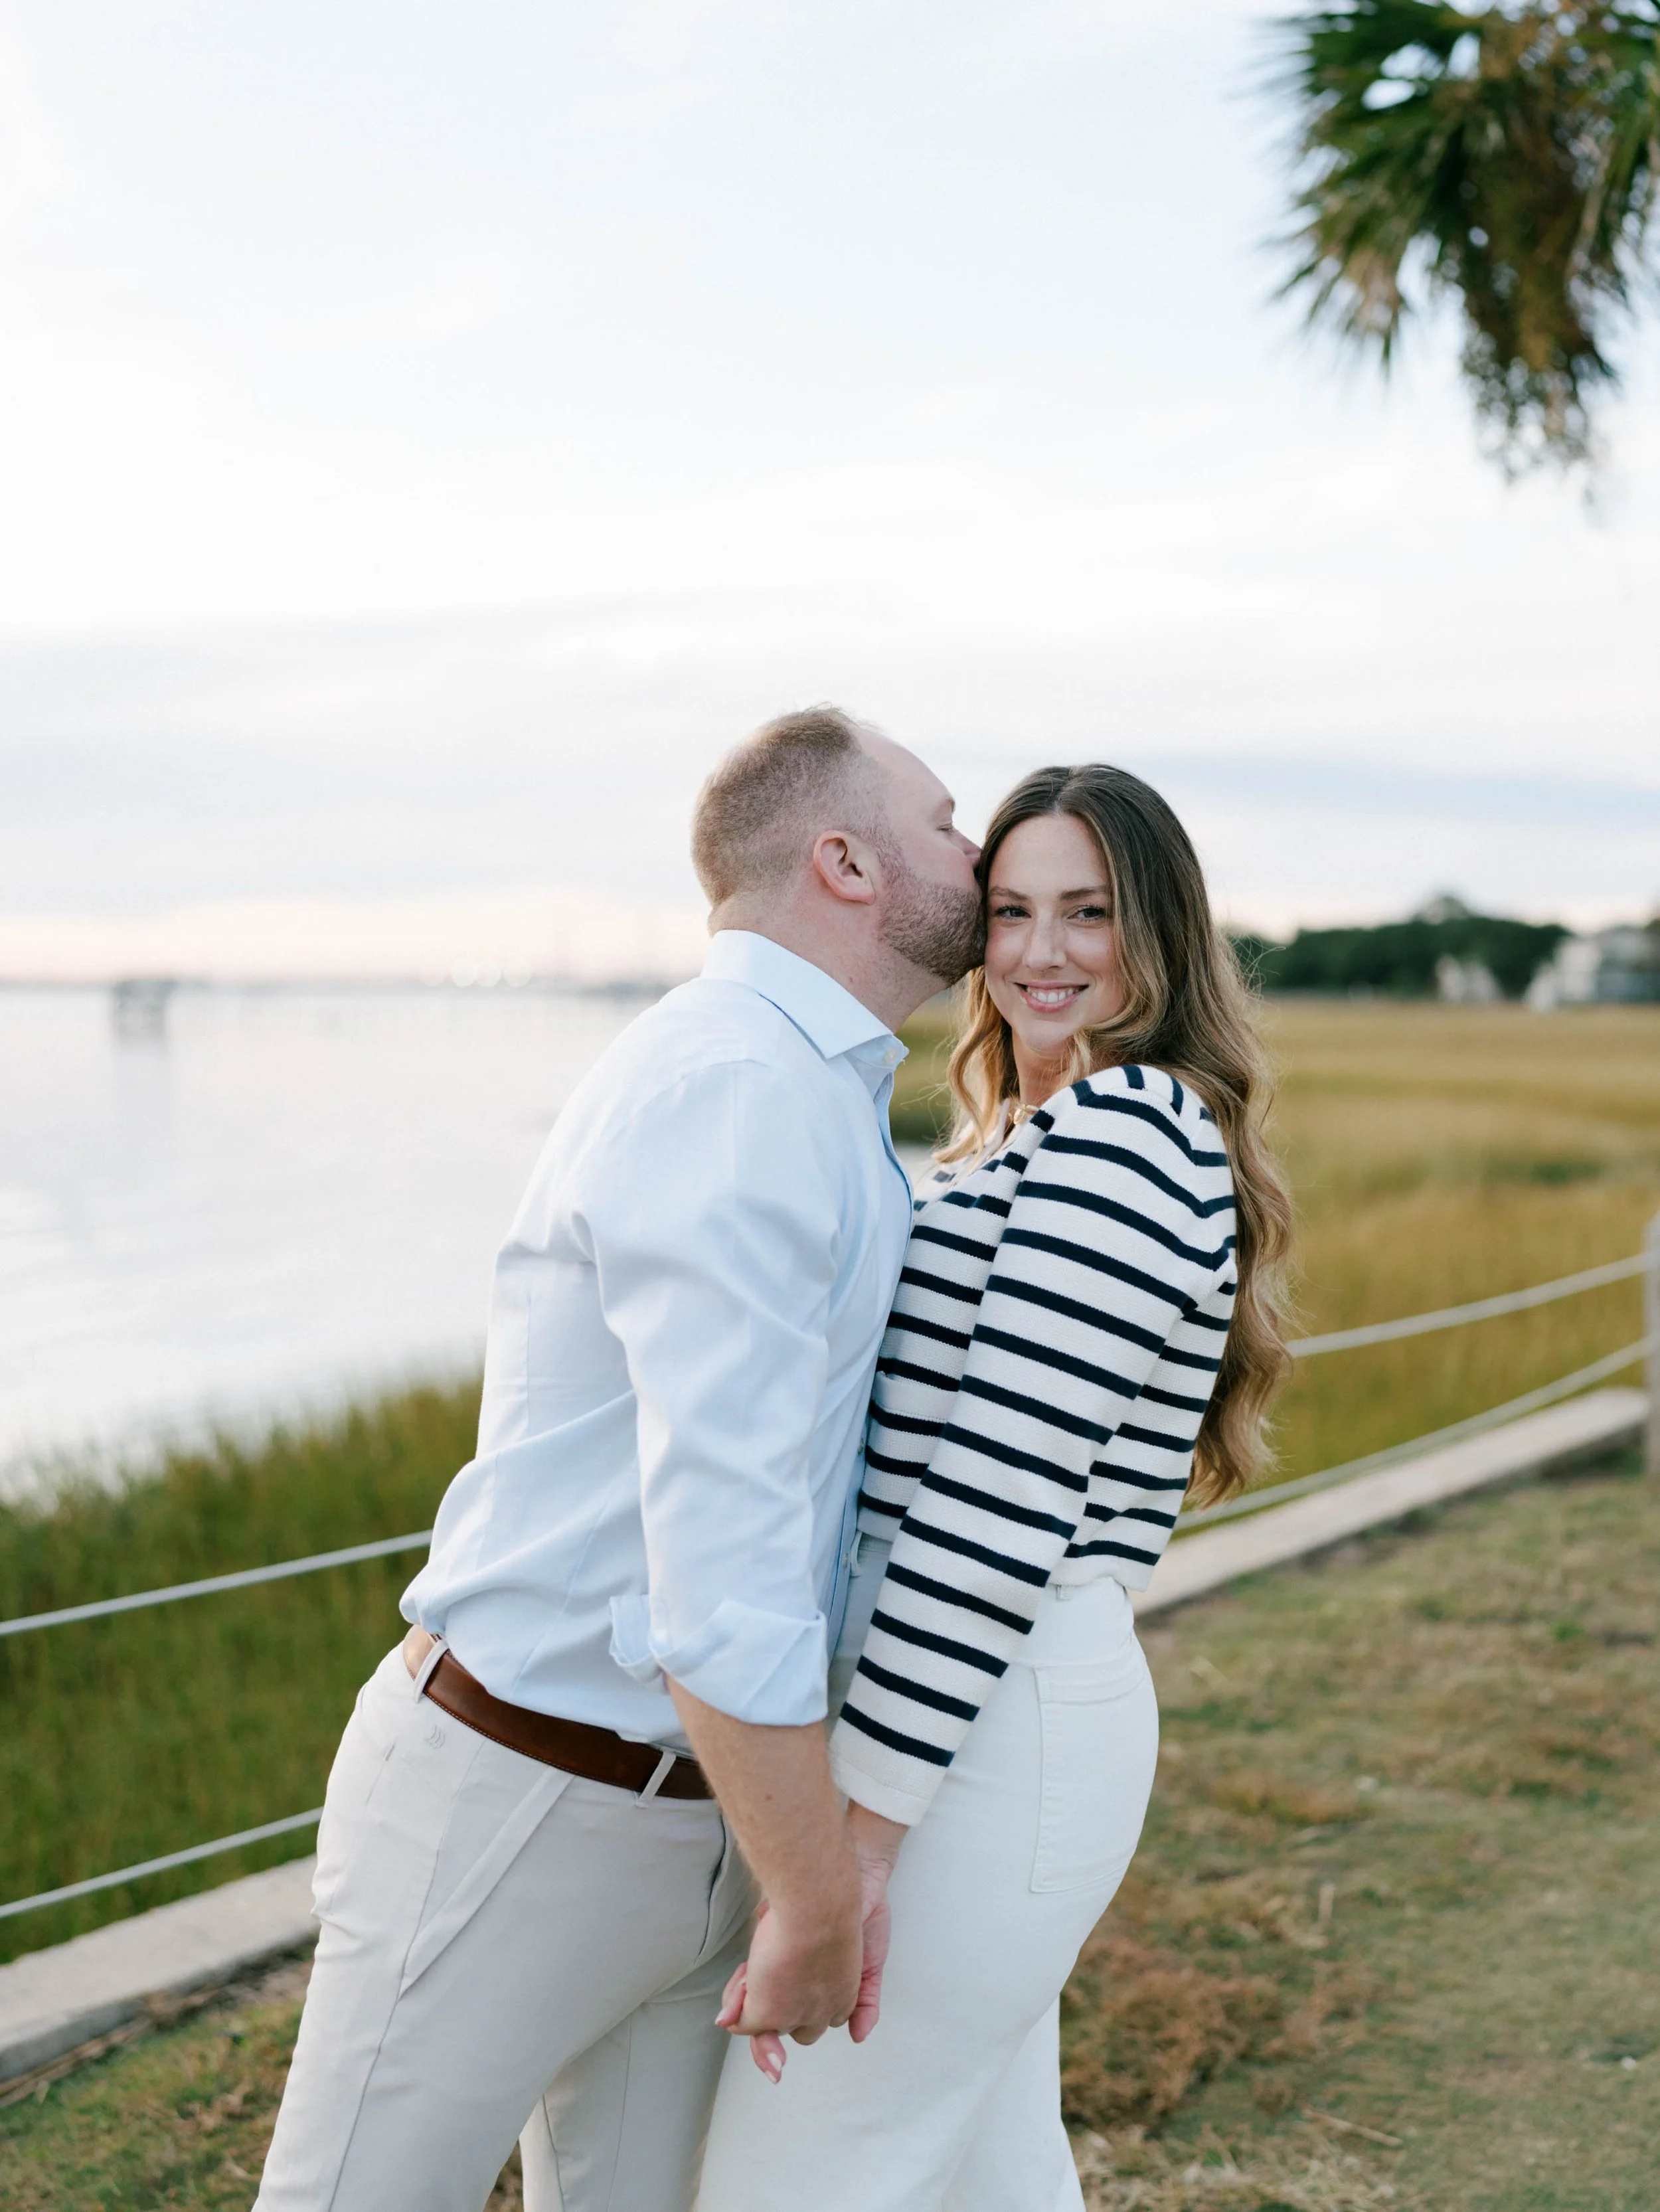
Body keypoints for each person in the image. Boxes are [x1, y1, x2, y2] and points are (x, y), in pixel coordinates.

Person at [254, 705, 983, 2212]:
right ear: (843, 861)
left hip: (701, 1810)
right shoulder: (737, 1090)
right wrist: (813, 1890)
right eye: (946, 820)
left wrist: (766, 1856)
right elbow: (716, 1558)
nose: (973, 853)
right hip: (522, 1801)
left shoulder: (812, 1092)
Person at [699, 763, 1293, 2211]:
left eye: (1088, 914)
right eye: (1012, 909)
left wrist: (851, 1852)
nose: (1039, 952)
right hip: (969, 1708)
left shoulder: (1125, 1136)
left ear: (1157, 932)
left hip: (988, 1722)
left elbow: (993, 1505)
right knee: (984, 2175)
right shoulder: (1015, 1134)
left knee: (790, 2185)